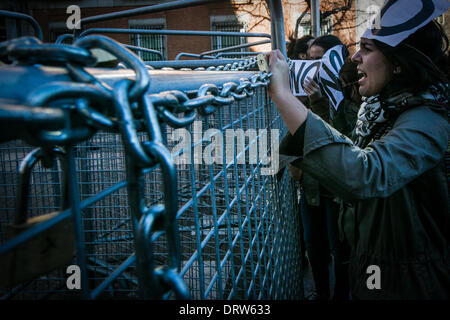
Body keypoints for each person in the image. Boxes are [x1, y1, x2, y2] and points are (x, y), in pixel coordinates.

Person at [266, 17, 450, 300]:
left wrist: (282, 95)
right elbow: (349, 146)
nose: (355, 56)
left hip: (408, 281)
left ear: (398, 62)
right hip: (375, 264)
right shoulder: (383, 107)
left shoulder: (427, 119)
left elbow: (364, 174)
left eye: (367, 48)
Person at [283, 34, 354, 300]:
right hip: (311, 186)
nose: (312, 67)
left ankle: (341, 295)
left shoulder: (350, 90)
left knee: (340, 251)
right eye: (309, 60)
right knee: (314, 248)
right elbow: (297, 134)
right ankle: (322, 294)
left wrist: (319, 103)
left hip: (336, 190)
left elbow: (340, 140)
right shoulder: (302, 92)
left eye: (319, 61)